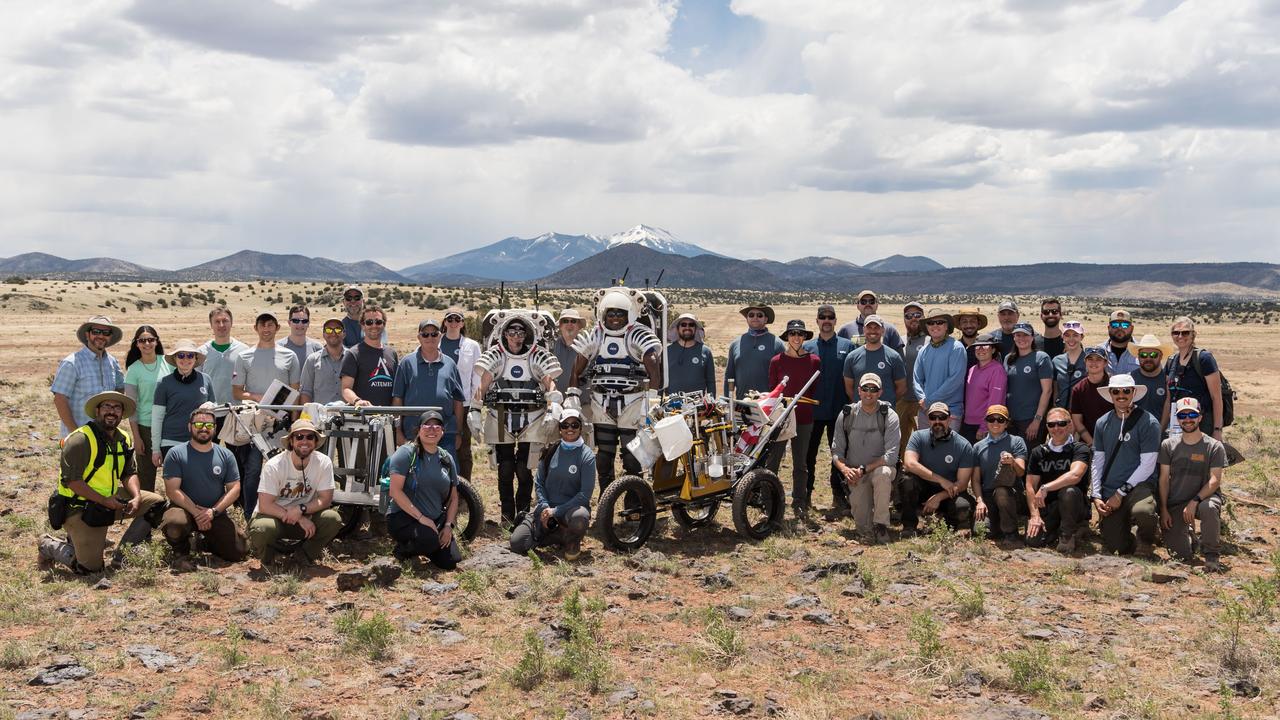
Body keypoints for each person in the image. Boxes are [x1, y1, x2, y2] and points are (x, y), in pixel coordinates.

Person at [38, 392, 166, 574]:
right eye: (107, 406)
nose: (111, 412)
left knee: (156, 503)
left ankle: (122, 557)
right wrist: (104, 501)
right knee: (90, 570)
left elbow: (129, 473)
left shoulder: (123, 438)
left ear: (122, 413)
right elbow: (72, 482)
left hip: (108, 501)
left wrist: (137, 497)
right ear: (97, 411)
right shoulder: (80, 440)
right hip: (78, 507)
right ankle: (48, 545)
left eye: (117, 408)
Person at [475, 313, 563, 524]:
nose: (516, 336)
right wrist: (475, 411)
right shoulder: (495, 356)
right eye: (512, 332)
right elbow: (482, 387)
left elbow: (550, 384)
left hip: (531, 417)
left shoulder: (536, 356)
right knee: (505, 469)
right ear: (504, 333)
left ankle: (523, 514)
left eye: (521, 332)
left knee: (524, 469)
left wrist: (554, 406)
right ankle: (506, 514)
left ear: (527, 334)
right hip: (500, 416)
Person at [571, 289, 661, 494]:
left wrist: (652, 399)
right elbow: (577, 368)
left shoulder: (639, 334)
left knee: (632, 456)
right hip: (601, 402)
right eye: (610, 314)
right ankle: (606, 499)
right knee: (603, 456)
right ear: (603, 314)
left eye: (620, 314)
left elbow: (654, 368)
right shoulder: (595, 335)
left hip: (633, 401)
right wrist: (572, 395)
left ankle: (634, 502)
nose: (615, 318)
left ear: (629, 314)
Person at [231, 312, 301, 517]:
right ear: (256, 328)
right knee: (252, 470)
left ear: (277, 328)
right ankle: (250, 514)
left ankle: (281, 512)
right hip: (255, 424)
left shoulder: (290, 356)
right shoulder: (244, 357)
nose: (266, 329)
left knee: (283, 470)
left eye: (271, 325)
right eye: (262, 325)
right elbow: (236, 392)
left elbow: (295, 392)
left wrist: (295, 424)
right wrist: (257, 396)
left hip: (281, 424)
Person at [247, 419, 344, 566]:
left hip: (305, 516)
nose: (304, 441)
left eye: (310, 437)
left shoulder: (323, 462)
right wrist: (298, 518)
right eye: (299, 437)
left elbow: (325, 499)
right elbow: (265, 505)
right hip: (274, 517)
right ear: (291, 441)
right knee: (262, 529)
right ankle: (269, 561)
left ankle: (304, 555)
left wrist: (301, 510)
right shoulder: (274, 465)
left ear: (315, 441)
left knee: (332, 519)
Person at [158, 407, 246, 565]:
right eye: (198, 424)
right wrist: (197, 513)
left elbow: (235, 489)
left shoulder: (226, 455)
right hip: (184, 509)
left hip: (214, 512)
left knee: (239, 552)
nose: (204, 429)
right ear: (189, 426)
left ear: (215, 428)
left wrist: (212, 512)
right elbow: (172, 490)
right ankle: (181, 550)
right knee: (174, 524)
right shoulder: (176, 453)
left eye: (209, 425)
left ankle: (201, 542)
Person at [509, 408, 596, 559]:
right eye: (565, 425)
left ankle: (570, 539)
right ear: (560, 429)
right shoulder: (550, 450)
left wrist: (556, 512)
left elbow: (585, 495)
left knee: (580, 518)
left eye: (574, 425)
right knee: (517, 544)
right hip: (546, 509)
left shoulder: (587, 455)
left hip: (570, 510)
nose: (570, 429)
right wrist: (544, 507)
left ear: (581, 428)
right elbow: (539, 482)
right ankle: (556, 534)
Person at [1090, 374, 1161, 556]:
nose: (1121, 395)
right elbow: (1098, 461)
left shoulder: (1149, 422)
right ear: (1111, 394)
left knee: (1144, 511)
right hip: (1110, 488)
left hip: (1138, 486)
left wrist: (1120, 493)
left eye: (1126, 391)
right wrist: (1097, 496)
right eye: (1116, 391)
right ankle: (1130, 537)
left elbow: (1148, 465)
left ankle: (1146, 540)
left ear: (1134, 392)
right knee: (1116, 547)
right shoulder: (1102, 423)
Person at [386, 410, 463, 568]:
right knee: (429, 540)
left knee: (451, 562)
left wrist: (448, 526)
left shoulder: (446, 458)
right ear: (418, 430)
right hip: (404, 518)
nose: (432, 430)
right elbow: (395, 491)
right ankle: (402, 551)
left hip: (434, 520)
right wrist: (421, 518)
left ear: (442, 432)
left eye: (437, 427)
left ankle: (427, 545)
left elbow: (454, 497)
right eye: (427, 426)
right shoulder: (406, 453)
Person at [1158, 398, 1226, 572]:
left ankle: (1211, 554)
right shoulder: (1168, 445)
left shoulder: (1214, 446)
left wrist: (1195, 500)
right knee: (1180, 556)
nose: (1187, 419)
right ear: (1177, 419)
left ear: (1200, 417)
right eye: (1182, 415)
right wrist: (1164, 509)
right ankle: (1189, 536)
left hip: (1204, 498)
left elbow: (1215, 480)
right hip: (1177, 502)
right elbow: (1164, 479)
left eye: (1192, 415)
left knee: (1209, 507)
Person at [832, 373, 900, 543]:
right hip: (855, 473)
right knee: (862, 526)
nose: (869, 393)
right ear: (859, 391)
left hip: (878, 469)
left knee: (883, 474)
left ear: (880, 392)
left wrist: (864, 469)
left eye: (873, 389)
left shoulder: (889, 416)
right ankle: (868, 528)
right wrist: (846, 470)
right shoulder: (846, 414)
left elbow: (891, 456)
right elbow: (836, 453)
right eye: (865, 389)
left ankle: (881, 525)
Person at [805, 304, 855, 520]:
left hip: (839, 411)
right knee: (808, 455)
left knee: (839, 455)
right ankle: (805, 494)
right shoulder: (806, 347)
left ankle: (839, 494)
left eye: (830, 317)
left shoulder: (847, 346)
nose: (826, 320)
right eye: (822, 317)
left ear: (835, 321)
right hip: (812, 411)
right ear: (816, 321)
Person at [768, 320, 821, 518]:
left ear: (805, 337)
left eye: (800, 334)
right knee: (773, 460)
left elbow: (813, 390)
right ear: (787, 337)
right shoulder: (776, 361)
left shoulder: (814, 361)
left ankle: (799, 501)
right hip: (781, 417)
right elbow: (774, 389)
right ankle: (769, 500)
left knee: (801, 463)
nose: (796, 337)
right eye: (792, 334)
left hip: (804, 417)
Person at [900, 403, 975, 535]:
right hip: (923, 489)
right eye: (933, 417)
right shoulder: (918, 437)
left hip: (949, 492)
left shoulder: (963, 445)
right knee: (907, 481)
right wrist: (940, 480)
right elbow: (909, 463)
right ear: (928, 419)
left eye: (942, 417)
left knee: (963, 506)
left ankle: (946, 522)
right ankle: (909, 526)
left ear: (949, 419)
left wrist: (939, 497)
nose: (937, 421)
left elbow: (962, 484)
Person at [392, 318, 465, 456]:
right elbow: (397, 399)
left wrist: (458, 432)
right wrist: (398, 432)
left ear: (440, 336)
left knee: (446, 475)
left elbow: (458, 401)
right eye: (425, 334)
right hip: (413, 433)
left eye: (434, 334)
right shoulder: (406, 363)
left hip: (446, 433)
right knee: (414, 475)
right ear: (419, 337)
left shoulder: (450, 364)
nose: (430, 338)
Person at [1025, 407, 1091, 553]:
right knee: (1033, 541)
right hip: (1050, 507)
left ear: (1070, 425)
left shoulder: (1080, 449)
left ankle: (1068, 534)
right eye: (1051, 424)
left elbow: (1075, 475)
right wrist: (1034, 515)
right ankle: (1059, 530)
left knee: (1069, 491)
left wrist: (1045, 488)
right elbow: (1030, 485)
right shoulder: (1038, 452)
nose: (1056, 428)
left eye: (1061, 423)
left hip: (1074, 505)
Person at [52, 315, 125, 437]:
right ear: (87, 335)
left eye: (106, 332)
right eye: (96, 332)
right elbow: (60, 400)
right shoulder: (72, 363)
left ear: (110, 336)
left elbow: (119, 390)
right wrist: (76, 434)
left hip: (105, 436)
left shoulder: (113, 363)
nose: (101, 336)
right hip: (79, 438)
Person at [151, 340, 216, 465]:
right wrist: (155, 449)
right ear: (175, 358)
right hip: (171, 441)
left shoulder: (206, 379)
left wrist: (211, 406)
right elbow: (157, 418)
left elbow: (215, 407)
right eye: (181, 355)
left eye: (190, 355)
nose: (185, 359)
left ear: (196, 359)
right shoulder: (164, 383)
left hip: (199, 441)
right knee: (174, 483)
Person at [123, 325, 171, 493]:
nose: (147, 344)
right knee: (146, 476)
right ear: (137, 344)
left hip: (169, 426)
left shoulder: (168, 363)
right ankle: (147, 512)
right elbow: (131, 407)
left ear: (157, 342)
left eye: (151, 339)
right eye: (142, 340)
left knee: (173, 472)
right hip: (145, 427)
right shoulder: (133, 370)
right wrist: (136, 437)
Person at [971, 404, 1028, 543]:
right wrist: (979, 501)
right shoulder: (978, 447)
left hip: (1011, 494)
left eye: (1000, 420)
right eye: (991, 419)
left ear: (1007, 423)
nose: (995, 423)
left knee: (1002, 491)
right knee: (980, 531)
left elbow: (1021, 472)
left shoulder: (1016, 441)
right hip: (988, 496)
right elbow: (976, 480)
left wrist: (1013, 462)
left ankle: (1011, 533)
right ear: (986, 422)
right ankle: (996, 526)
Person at [1165, 316, 1225, 441]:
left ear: (1193, 335)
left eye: (1185, 332)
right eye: (1176, 332)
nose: (1180, 336)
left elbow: (1216, 397)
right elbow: (1168, 397)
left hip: (1202, 424)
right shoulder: (1171, 361)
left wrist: (1217, 430)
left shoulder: (1204, 359)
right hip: (1177, 423)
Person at [440, 308, 483, 478]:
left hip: (464, 404)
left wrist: (475, 405)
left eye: (457, 319)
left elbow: (477, 376)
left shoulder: (471, 346)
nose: (453, 323)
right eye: (450, 319)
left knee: (463, 447)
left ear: (462, 323)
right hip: (441, 403)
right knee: (439, 443)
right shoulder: (436, 342)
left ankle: (465, 490)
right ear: (444, 322)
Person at [911, 309, 966, 431]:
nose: (935, 326)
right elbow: (917, 379)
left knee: (948, 449)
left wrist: (929, 401)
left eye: (939, 322)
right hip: (926, 412)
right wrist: (922, 399)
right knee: (925, 448)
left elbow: (955, 380)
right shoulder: (923, 351)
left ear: (946, 326)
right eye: (931, 323)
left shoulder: (956, 348)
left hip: (950, 411)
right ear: (926, 327)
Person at [842, 315, 907, 408]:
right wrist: (864, 404)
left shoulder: (894, 356)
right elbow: (849, 389)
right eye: (869, 327)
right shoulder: (852, 357)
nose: (873, 331)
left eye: (876, 328)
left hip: (885, 414)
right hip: (860, 414)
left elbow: (902, 388)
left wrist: (888, 402)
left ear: (883, 330)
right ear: (864, 330)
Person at [1004, 323, 1053, 444]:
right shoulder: (1008, 359)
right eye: (1018, 335)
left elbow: (1047, 391)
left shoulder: (1041, 358)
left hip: (1030, 419)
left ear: (1032, 337)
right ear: (1013, 337)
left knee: (1028, 457)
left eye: (1025, 335)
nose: (1022, 339)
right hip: (1010, 419)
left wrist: (1037, 420)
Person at [340, 304, 397, 407]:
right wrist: (357, 401)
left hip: (387, 418)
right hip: (363, 418)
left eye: (378, 322)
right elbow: (346, 389)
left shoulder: (392, 354)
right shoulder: (353, 354)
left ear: (384, 325)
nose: (374, 326)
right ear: (362, 325)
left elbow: (397, 391)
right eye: (369, 322)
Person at [724, 303, 784, 398]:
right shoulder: (735, 344)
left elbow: (782, 377)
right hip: (741, 402)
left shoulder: (777, 343)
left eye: (759, 315)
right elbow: (729, 375)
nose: (755, 318)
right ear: (747, 318)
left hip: (767, 402)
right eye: (751, 315)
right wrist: (727, 400)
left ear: (766, 319)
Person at [199, 308, 246, 425]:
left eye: (225, 321)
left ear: (232, 323)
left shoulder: (243, 351)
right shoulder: (201, 352)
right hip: (209, 412)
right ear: (211, 325)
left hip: (235, 412)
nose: (221, 325)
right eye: (217, 321)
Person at [897, 302, 928, 464]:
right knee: (900, 440)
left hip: (922, 401)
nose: (913, 318)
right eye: (908, 316)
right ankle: (902, 476)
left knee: (922, 441)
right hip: (901, 400)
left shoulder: (930, 340)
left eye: (917, 315)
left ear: (923, 318)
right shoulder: (899, 341)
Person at [960, 333, 1005, 443]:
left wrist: (985, 426)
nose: (980, 349)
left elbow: (995, 401)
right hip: (967, 423)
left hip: (983, 425)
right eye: (977, 346)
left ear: (993, 350)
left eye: (985, 346)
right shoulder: (972, 369)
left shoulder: (997, 370)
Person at [1069, 346, 1112, 446]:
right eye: (1090, 359)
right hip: (1089, 441)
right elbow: (1077, 420)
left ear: (1105, 363)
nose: (1094, 363)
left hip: (1113, 440)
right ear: (1085, 362)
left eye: (1098, 359)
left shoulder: (1114, 385)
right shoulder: (1078, 389)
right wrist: (1092, 443)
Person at [837, 290, 904, 353]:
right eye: (863, 302)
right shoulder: (845, 330)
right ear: (857, 306)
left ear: (877, 305)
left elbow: (899, 360)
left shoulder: (890, 330)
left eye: (871, 301)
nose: (868, 304)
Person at [665, 313, 716, 396]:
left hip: (698, 404)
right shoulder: (667, 351)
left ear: (695, 329)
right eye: (683, 325)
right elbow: (661, 379)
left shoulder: (706, 351)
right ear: (677, 328)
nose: (687, 327)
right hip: (672, 404)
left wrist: (711, 402)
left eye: (691, 325)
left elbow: (711, 382)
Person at [1129, 335, 1172, 433]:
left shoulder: (1167, 380)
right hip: (1134, 434)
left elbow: (1167, 407)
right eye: (1143, 355)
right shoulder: (1130, 379)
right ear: (1138, 356)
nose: (1148, 358)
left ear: (1161, 356)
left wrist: (1159, 433)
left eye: (1153, 355)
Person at [299, 318, 347, 405]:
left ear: (344, 334)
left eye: (338, 329)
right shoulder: (312, 360)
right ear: (324, 334)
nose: (333, 333)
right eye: (328, 330)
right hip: (320, 416)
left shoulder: (352, 358)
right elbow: (306, 392)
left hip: (347, 416)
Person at [550, 309, 588, 396]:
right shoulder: (551, 346)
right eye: (565, 321)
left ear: (579, 325)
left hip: (582, 404)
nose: (569, 324)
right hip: (556, 402)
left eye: (573, 321)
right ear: (560, 325)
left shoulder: (587, 346)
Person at [1051, 321, 1087, 410]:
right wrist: (1055, 406)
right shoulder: (1057, 361)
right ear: (1062, 337)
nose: (1071, 339)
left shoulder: (1089, 360)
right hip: (1061, 410)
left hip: (1081, 411)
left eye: (1075, 335)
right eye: (1067, 335)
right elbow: (1056, 388)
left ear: (1082, 337)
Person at [279, 304, 324, 369]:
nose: (300, 324)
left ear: (308, 324)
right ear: (289, 323)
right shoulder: (279, 347)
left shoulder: (317, 348)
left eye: (304, 321)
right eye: (296, 321)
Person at [1105, 310, 1139, 376]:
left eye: (1125, 325)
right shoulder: (1099, 352)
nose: (1120, 328)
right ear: (1109, 328)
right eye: (1115, 325)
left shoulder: (1142, 352)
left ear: (1132, 328)